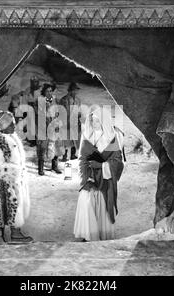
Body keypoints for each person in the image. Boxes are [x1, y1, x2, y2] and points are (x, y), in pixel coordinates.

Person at [73, 106, 124, 242]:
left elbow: (118, 163)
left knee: (102, 202)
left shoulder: (111, 139)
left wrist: (101, 165)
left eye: (96, 121)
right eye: (92, 121)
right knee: (87, 199)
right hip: (90, 178)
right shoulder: (87, 136)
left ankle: (102, 233)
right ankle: (89, 234)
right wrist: (85, 179)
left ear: (104, 122)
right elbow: (82, 160)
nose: (93, 124)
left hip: (105, 181)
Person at [0, 110, 33, 243]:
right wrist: (14, 171)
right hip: (1, 182)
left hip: (14, 181)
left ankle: (15, 232)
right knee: (0, 208)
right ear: (4, 125)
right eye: (12, 124)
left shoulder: (12, 138)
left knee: (15, 206)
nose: (14, 126)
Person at [36, 82, 64, 176]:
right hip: (43, 127)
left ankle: (54, 166)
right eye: (47, 91)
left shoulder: (55, 100)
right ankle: (41, 168)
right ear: (44, 92)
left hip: (54, 127)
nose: (49, 93)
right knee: (43, 147)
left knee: (55, 146)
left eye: (51, 91)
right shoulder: (40, 101)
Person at [59, 82, 82, 162]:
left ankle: (72, 154)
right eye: (75, 90)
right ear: (71, 90)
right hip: (66, 122)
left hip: (74, 122)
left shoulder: (78, 100)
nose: (76, 92)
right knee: (65, 140)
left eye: (77, 90)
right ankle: (64, 156)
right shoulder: (64, 100)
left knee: (73, 139)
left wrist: (78, 118)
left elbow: (78, 111)